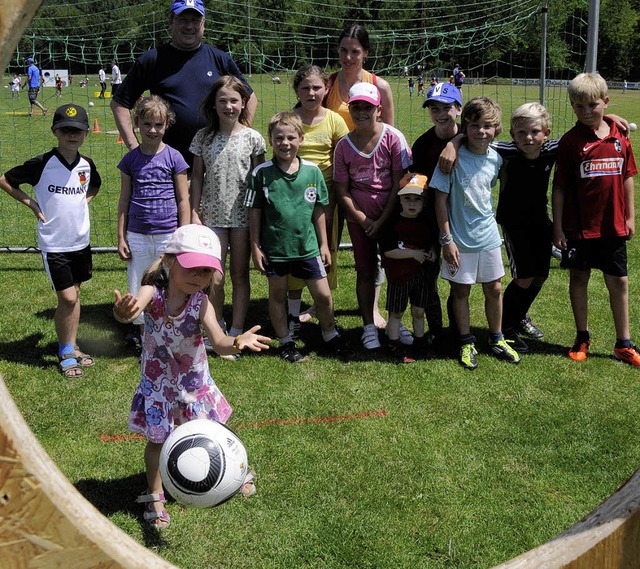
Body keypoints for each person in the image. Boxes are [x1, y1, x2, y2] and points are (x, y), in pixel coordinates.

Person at [113, 224, 270, 528]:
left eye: (205, 271)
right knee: (157, 442)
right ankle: (155, 495)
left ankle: (232, 474)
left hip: (194, 386)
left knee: (213, 435)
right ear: (170, 261)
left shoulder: (201, 303)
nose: (198, 277)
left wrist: (236, 342)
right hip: (158, 388)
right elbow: (130, 312)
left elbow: (220, 341)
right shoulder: (152, 292)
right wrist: (123, 310)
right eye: (191, 269)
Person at [0, 104, 101, 377]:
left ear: (86, 134)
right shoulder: (43, 163)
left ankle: (72, 344)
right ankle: (65, 351)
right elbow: (6, 180)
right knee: (67, 297)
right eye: (66, 130)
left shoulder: (86, 165)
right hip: (55, 244)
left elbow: (94, 186)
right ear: (54, 131)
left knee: (75, 295)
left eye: (78, 130)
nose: (72, 135)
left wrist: (82, 203)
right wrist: (32, 204)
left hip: (80, 241)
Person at [246, 111, 352, 363]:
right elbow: (255, 211)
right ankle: (285, 341)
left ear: (301, 139)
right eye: (279, 137)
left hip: (308, 248)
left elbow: (319, 210)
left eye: (291, 137)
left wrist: (324, 244)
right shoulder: (261, 173)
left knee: (324, 296)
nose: (285, 143)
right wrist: (255, 246)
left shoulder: (312, 172)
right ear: (270, 140)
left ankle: (329, 334)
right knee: (277, 296)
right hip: (276, 249)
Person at [552, 72, 640, 366]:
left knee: (619, 282)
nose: (586, 111)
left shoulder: (619, 137)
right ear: (572, 106)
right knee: (579, 279)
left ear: (605, 101)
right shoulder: (569, 142)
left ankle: (623, 343)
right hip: (579, 228)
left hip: (613, 225)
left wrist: (630, 216)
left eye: (592, 105)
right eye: (579, 106)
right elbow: (560, 187)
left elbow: (627, 177)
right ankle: (581, 337)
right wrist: (558, 227)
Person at [110, 0, 257, 169]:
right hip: (166, 165)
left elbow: (250, 97)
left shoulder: (219, 59)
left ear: (203, 24)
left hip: (213, 163)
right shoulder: (152, 60)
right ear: (170, 22)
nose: (189, 26)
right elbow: (119, 104)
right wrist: (135, 148)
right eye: (183, 20)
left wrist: (238, 136)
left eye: (195, 20)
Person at [431, 96, 521, 369]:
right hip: (459, 240)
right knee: (461, 291)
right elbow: (439, 200)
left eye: (488, 126)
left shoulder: (496, 158)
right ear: (465, 126)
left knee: (494, 288)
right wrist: (447, 239)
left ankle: (496, 337)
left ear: (497, 129)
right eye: (475, 125)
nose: (481, 132)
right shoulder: (451, 158)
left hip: (488, 236)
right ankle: (466, 340)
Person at [324, 24, 397, 330]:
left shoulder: (379, 86)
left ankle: (375, 307)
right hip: (333, 175)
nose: (348, 57)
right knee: (326, 241)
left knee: (372, 247)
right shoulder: (328, 84)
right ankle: (322, 304)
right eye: (343, 50)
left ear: (366, 52)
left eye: (355, 51)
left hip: (371, 180)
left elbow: (388, 134)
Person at [190, 76, 266, 357]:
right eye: (222, 100)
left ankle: (236, 329)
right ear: (214, 103)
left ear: (243, 103)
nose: (228, 106)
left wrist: (260, 216)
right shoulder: (203, 137)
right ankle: (216, 328)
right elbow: (196, 176)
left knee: (239, 273)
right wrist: (194, 211)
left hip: (244, 217)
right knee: (214, 277)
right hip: (212, 216)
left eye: (234, 100)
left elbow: (260, 181)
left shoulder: (253, 138)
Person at [334, 83, 410, 350]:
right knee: (365, 271)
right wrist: (363, 219)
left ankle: (395, 323)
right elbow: (342, 190)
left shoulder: (393, 138)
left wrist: (383, 220)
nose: (362, 112)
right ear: (350, 109)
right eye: (356, 107)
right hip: (360, 222)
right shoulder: (343, 146)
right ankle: (368, 326)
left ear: (379, 109)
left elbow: (401, 182)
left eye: (368, 107)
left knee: (397, 270)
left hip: (392, 218)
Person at [116, 95, 190, 346]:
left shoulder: (174, 158)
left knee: (170, 281)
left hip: (168, 234)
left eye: (158, 124)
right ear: (137, 123)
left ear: (167, 124)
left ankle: (170, 331)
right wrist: (121, 236)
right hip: (137, 234)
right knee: (139, 281)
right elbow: (124, 199)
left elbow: (183, 199)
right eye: (147, 124)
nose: (152, 130)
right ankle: (142, 334)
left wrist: (184, 232)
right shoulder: (130, 160)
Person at [286, 64, 349, 336]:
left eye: (316, 87)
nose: (311, 93)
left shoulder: (335, 120)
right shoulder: (290, 119)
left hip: (325, 200)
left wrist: (332, 198)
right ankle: (292, 312)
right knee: (294, 251)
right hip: (293, 202)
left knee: (325, 252)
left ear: (326, 89)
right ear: (297, 91)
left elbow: (342, 160)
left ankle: (322, 309)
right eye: (305, 88)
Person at [411, 82, 463, 349]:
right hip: (432, 220)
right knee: (427, 278)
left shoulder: (470, 135)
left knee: (458, 281)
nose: (441, 114)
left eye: (446, 107)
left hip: (463, 220)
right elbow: (417, 183)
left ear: (458, 108)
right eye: (434, 108)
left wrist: (455, 141)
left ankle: (458, 332)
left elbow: (494, 127)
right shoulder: (422, 144)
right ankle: (436, 330)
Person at [380, 173, 436, 363]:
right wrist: (413, 253)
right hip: (399, 276)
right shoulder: (392, 223)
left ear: (424, 202)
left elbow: (431, 243)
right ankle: (393, 345)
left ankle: (419, 344)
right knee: (396, 312)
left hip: (420, 275)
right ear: (400, 200)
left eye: (417, 199)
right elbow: (388, 251)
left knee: (419, 311)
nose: (412, 204)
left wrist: (432, 251)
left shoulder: (427, 222)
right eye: (407, 198)